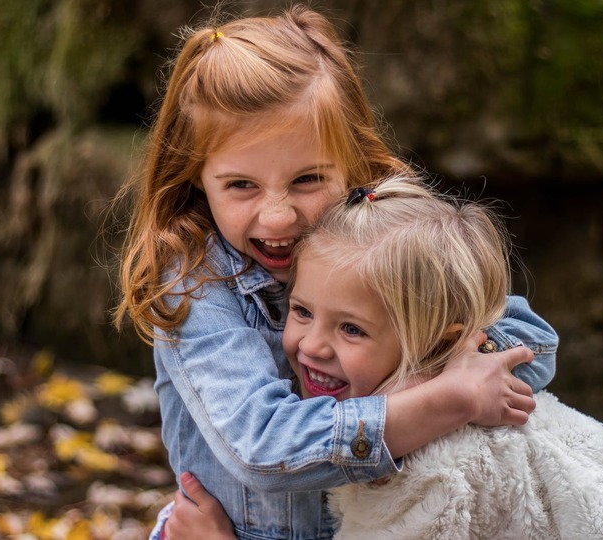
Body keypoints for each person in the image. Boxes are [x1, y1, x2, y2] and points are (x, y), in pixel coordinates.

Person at [113, 5, 558, 540]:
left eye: (307, 179)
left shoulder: (381, 246)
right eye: (241, 185)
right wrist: (445, 399)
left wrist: (446, 371)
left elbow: (530, 343)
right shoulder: (195, 282)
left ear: (352, 162)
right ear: (196, 180)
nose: (278, 216)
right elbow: (264, 446)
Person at [162, 176, 603, 539]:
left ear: (438, 341)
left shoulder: (439, 470)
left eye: (351, 328)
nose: (310, 345)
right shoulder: (444, 394)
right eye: (300, 312)